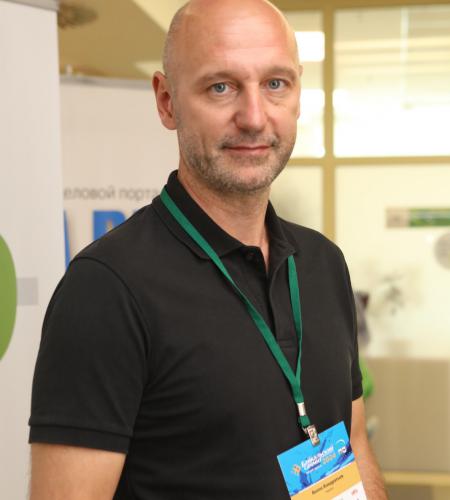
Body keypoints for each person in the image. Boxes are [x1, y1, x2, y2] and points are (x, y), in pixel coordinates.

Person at [29, 1, 388, 499]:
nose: (254, 117)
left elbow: (352, 442)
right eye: (221, 87)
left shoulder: (323, 264)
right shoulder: (107, 288)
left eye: (275, 83)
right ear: (167, 101)